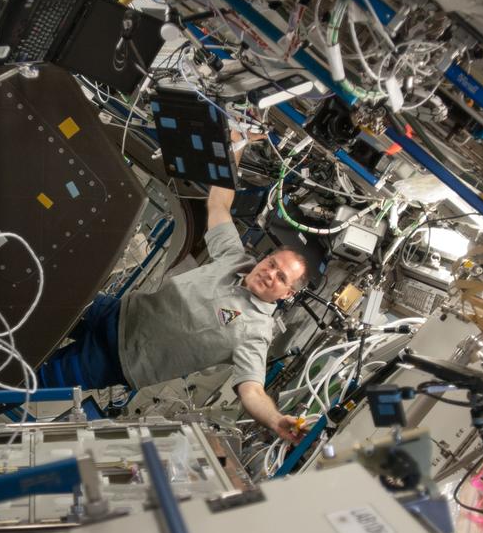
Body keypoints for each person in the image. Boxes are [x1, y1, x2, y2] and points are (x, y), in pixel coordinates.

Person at [39, 186, 309, 444]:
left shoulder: (256, 332)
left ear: (287, 294)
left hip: (118, 359)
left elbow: (252, 390)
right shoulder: (235, 258)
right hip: (114, 312)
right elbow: (218, 205)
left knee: (29, 378)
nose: (269, 273)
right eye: (272, 263)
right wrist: (233, 147)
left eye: (281, 277)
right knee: (35, 301)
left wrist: (274, 419)